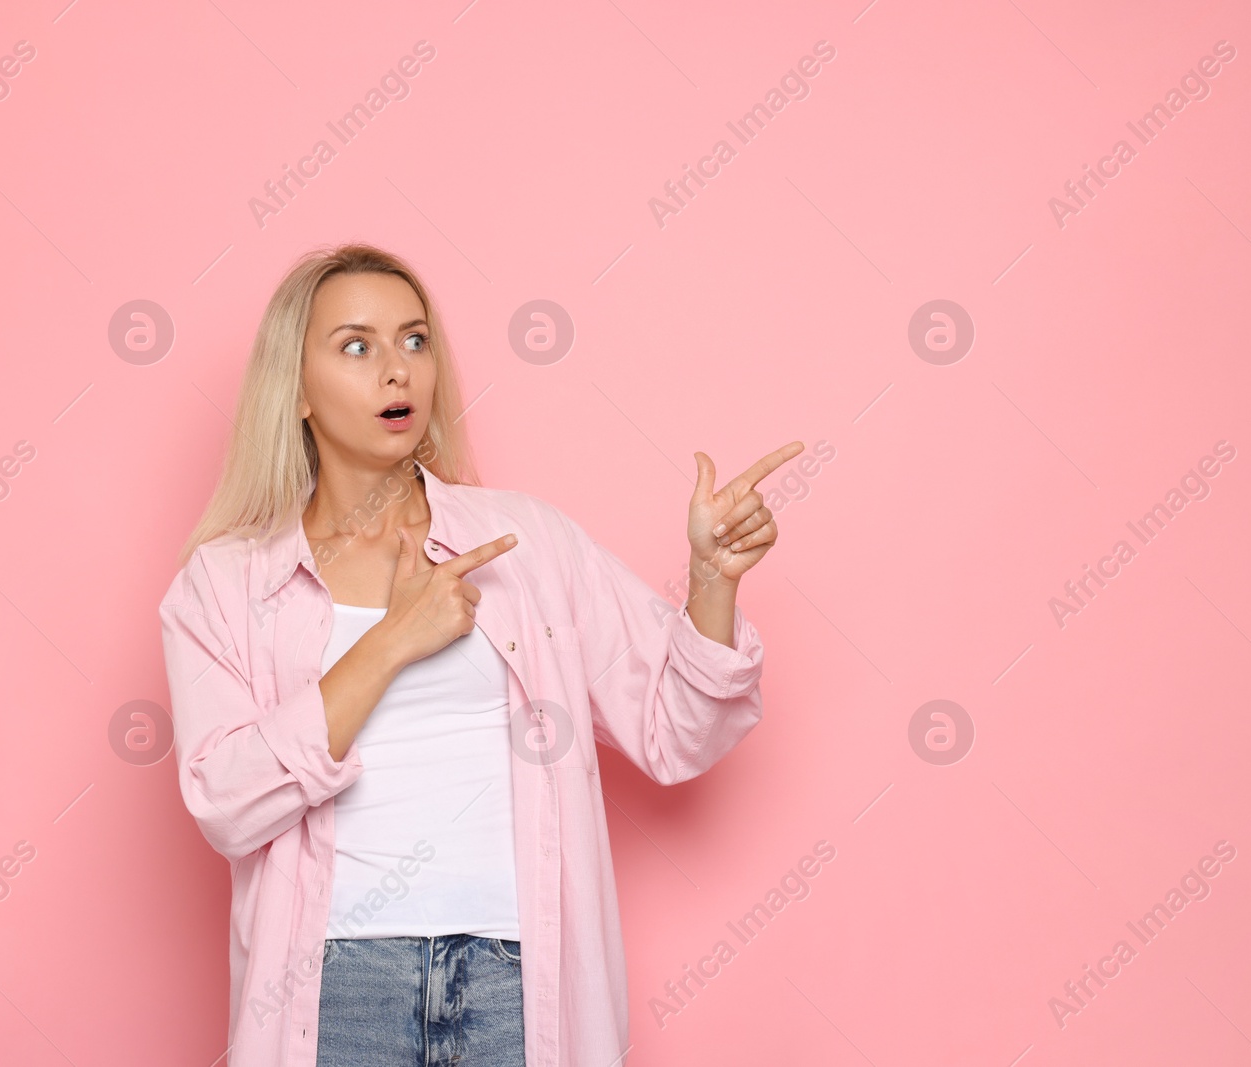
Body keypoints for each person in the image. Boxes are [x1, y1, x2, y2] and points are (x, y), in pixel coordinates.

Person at [158, 242, 798, 1066]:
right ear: (298, 391)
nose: (398, 371)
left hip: (514, 980)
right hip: (336, 987)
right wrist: (393, 640)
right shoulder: (227, 582)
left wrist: (711, 583)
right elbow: (226, 799)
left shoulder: (526, 545)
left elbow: (676, 729)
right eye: (357, 346)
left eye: (414, 341)